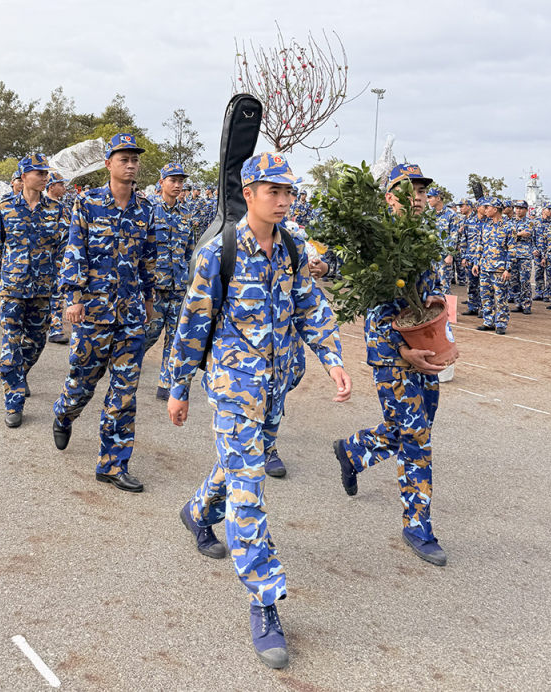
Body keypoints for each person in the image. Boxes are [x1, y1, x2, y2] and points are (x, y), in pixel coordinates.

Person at [168, 152, 351, 669]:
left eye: (288, 191)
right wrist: (179, 385)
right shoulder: (218, 252)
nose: (284, 200)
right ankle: (264, 600)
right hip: (234, 387)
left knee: (236, 466)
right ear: (247, 194)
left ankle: (198, 511)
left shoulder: (292, 247)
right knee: (248, 489)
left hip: (275, 387)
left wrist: (332, 358)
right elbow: (193, 323)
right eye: (274, 191)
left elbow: (309, 306)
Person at [335, 163, 450, 568]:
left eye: (421, 191)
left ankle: (353, 450)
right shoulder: (377, 243)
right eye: (409, 190)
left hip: (424, 350)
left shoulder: (422, 238)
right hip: (393, 358)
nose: (417, 197)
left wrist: (438, 313)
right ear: (389, 197)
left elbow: (431, 293)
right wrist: (401, 351)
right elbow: (374, 311)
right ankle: (418, 527)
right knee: (416, 438)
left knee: (414, 427)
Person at [51, 133, 156, 494]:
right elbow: (75, 250)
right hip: (93, 310)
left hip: (130, 313)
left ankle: (112, 465)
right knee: (83, 382)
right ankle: (64, 412)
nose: (131, 164)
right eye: (123, 158)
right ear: (108, 163)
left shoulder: (145, 209)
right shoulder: (88, 203)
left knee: (125, 390)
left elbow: (148, 258)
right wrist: (73, 297)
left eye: (135, 159)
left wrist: (149, 299)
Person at [0, 154, 69, 428]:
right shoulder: (5, 208)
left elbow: (67, 250)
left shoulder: (58, 210)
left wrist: (65, 282)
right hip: (12, 289)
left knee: (37, 342)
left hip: (44, 290)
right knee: (11, 344)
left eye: (46, 173)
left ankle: (19, 373)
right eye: (39, 173)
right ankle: (14, 401)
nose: (44, 177)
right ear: (23, 176)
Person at [143, 162, 194, 400]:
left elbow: (189, 250)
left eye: (181, 181)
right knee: (150, 333)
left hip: (178, 285)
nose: (178, 185)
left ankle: (166, 383)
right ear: (161, 182)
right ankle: (125, 364)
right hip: (155, 285)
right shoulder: (149, 210)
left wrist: (188, 278)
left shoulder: (186, 214)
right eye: (173, 180)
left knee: (175, 337)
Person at [474, 197, 512, 334]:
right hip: (485, 267)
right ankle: (488, 321)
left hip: (499, 269)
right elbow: (480, 245)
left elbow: (511, 249)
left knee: (500, 297)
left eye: (487, 207)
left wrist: (508, 269)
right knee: (485, 296)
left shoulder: (508, 227)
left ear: (495, 209)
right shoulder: (486, 226)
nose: (485, 210)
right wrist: (476, 263)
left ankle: (501, 323)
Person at [45, 171, 71, 345]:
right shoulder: (42, 206)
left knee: (58, 294)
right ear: (51, 187)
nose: (64, 188)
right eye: (60, 184)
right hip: (46, 259)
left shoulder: (64, 208)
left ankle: (55, 329)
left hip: (62, 260)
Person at [427, 188, 460, 294]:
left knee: (444, 287)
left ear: (438, 198)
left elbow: (454, 236)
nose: (428, 200)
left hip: (444, 257)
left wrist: (450, 254)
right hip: (430, 256)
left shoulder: (451, 215)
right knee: (429, 286)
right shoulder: (428, 214)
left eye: (430, 197)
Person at [509, 200, 535, 315]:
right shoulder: (510, 222)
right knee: (514, 281)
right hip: (513, 255)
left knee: (524, 281)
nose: (518, 210)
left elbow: (527, 233)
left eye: (521, 208)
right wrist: (519, 234)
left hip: (524, 256)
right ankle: (517, 303)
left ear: (526, 210)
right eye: (517, 208)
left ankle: (526, 304)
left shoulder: (530, 222)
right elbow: (506, 235)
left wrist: (514, 235)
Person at [460, 198, 483, 316]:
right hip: (470, 256)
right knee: (472, 284)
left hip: (483, 258)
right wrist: (463, 256)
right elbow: (464, 239)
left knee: (483, 285)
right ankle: (473, 307)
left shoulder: (488, 222)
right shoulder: (469, 222)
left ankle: (484, 309)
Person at [532, 205, 551, 300]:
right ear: (543, 210)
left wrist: (546, 255)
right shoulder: (536, 222)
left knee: (549, 274)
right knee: (538, 273)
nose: (550, 211)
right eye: (548, 209)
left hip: (549, 253)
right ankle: (539, 292)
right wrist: (534, 249)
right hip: (538, 253)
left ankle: (547, 294)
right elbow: (532, 238)